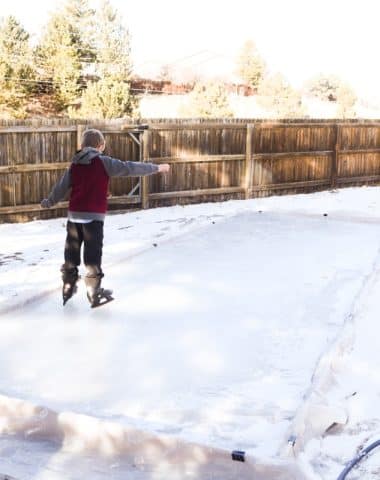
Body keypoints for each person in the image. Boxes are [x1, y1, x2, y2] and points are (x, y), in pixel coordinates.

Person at [41, 128, 170, 307]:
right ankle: (94, 293)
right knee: (92, 256)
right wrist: (157, 168)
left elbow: (61, 187)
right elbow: (129, 168)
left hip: (74, 218)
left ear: (81, 145)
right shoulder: (104, 162)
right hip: (93, 219)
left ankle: (68, 287)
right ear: (101, 146)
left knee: (71, 254)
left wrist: (49, 202)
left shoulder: (75, 164)